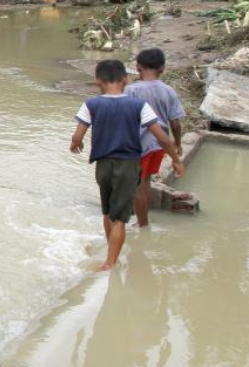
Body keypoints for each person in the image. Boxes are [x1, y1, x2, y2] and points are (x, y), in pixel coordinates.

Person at [70, 59, 184, 271]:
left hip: (103, 165)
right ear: (125, 80)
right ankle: (111, 263)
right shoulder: (138, 105)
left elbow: (77, 136)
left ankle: (111, 252)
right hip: (129, 165)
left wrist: (76, 144)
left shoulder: (91, 104)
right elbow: (161, 137)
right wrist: (176, 160)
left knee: (107, 212)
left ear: (98, 82)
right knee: (121, 218)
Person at [125, 48, 186, 228]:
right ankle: (144, 220)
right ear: (162, 68)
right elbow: (175, 123)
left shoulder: (131, 90)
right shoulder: (168, 91)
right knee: (147, 181)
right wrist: (178, 144)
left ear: (138, 68)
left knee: (138, 185)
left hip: (139, 144)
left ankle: (142, 224)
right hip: (160, 145)